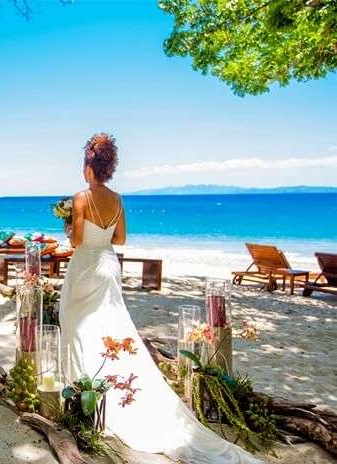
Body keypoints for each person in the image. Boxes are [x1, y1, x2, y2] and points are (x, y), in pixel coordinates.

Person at [59, 133, 262, 464]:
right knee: (110, 322)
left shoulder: (81, 197)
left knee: (77, 323)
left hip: (85, 266)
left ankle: (82, 391)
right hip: (109, 265)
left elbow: (77, 241)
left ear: (88, 167)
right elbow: (121, 238)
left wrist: (69, 226)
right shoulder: (119, 199)